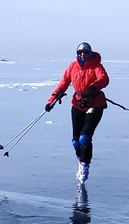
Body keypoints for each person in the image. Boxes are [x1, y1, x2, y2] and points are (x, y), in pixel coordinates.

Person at [46, 43, 109, 183]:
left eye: (85, 52)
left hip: (94, 105)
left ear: (90, 53)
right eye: (80, 52)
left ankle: (85, 166)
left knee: (84, 139)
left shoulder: (96, 66)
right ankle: (81, 161)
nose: (82, 54)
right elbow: (63, 83)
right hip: (77, 105)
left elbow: (104, 79)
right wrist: (51, 100)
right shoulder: (72, 67)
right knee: (75, 142)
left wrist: (94, 86)